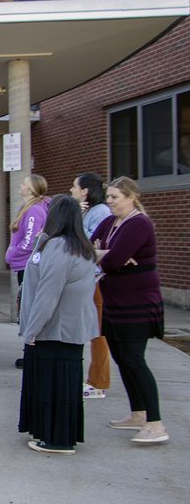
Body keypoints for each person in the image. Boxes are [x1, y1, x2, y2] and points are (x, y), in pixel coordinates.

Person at [18, 196, 98, 455]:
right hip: (66, 331)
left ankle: (56, 440)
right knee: (61, 385)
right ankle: (53, 433)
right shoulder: (76, 246)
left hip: (53, 331)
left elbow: (48, 293)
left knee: (51, 385)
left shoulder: (59, 247)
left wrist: (31, 329)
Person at [90, 177, 168, 443]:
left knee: (135, 359)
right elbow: (89, 247)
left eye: (115, 197)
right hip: (115, 302)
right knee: (122, 359)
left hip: (138, 303)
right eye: (109, 196)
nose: (109, 201)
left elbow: (112, 262)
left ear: (130, 198)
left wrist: (109, 256)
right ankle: (138, 414)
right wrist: (108, 255)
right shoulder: (111, 222)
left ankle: (156, 424)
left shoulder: (139, 224)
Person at [71, 172, 110, 399]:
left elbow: (89, 245)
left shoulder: (100, 212)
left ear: (85, 191)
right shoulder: (90, 212)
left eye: (74, 186)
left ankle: (98, 382)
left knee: (98, 333)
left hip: (96, 279)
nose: (71, 190)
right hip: (88, 278)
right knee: (93, 330)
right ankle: (95, 380)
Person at [7, 174, 50, 369]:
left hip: (27, 265)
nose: (21, 185)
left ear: (32, 189)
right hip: (23, 264)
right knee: (26, 308)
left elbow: (29, 241)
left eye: (24, 183)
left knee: (29, 310)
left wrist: (13, 253)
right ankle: (30, 351)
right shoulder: (29, 208)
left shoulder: (34, 210)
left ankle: (32, 352)